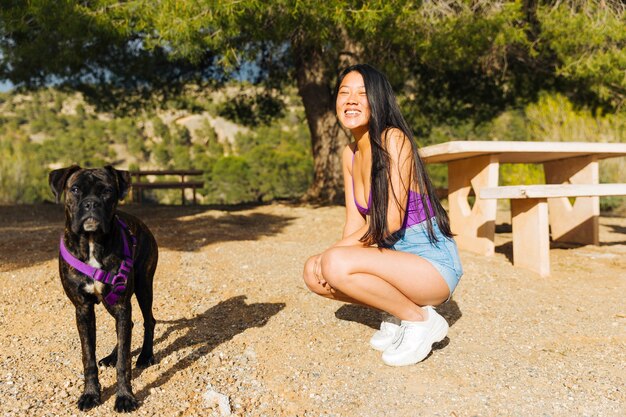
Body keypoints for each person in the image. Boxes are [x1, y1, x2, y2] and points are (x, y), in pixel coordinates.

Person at [302, 64, 463, 367]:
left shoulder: (393, 140)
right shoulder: (349, 154)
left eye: (362, 94)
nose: (351, 100)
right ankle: (399, 311)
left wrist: (333, 257)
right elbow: (354, 222)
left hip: (432, 267)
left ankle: (419, 319)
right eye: (344, 92)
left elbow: (390, 221)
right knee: (313, 272)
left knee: (333, 262)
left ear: (379, 101)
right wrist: (328, 258)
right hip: (394, 262)